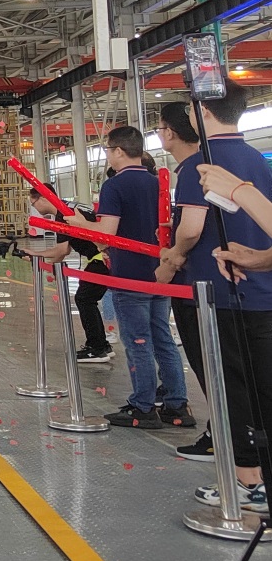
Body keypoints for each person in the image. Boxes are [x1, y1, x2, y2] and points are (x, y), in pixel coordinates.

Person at [159, 80, 272, 513]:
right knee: (261, 389)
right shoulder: (257, 158)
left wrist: (173, 258)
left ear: (203, 111)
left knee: (228, 388)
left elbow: (191, 227)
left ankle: (246, 480)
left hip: (217, 295)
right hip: (261, 292)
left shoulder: (201, 164)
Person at [78, 126, 190, 430]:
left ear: (117, 151)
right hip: (160, 273)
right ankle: (177, 404)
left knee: (138, 342)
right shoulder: (157, 183)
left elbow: (107, 233)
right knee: (162, 339)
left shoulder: (114, 186)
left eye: (107, 150)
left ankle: (143, 406)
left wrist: (79, 223)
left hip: (130, 276)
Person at [152, 101, 212, 460]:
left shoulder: (192, 169)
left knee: (210, 364)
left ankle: (224, 437)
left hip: (197, 287)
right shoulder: (218, 162)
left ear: (170, 133)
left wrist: (171, 260)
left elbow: (190, 230)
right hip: (219, 285)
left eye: (160, 128)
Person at [29, 188, 111, 362]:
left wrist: (34, 254)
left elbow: (62, 250)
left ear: (42, 198)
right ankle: (102, 345)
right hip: (103, 257)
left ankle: (97, 349)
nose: (34, 208)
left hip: (103, 258)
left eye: (33, 203)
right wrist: (42, 260)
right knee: (87, 299)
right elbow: (62, 253)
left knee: (84, 299)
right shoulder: (70, 207)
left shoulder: (63, 215)